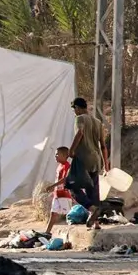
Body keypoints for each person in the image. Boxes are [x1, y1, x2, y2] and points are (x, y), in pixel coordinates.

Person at [69, 97, 107, 229]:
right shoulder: (98, 122)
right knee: (93, 189)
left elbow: (80, 133)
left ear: (78, 108)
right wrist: (106, 164)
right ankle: (96, 223)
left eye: (74, 109)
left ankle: (91, 208)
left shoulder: (80, 119)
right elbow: (103, 145)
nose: (75, 112)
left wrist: (71, 150)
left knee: (72, 186)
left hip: (83, 159)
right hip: (96, 160)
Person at [46, 146, 74, 237]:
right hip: (57, 194)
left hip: (65, 194)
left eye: (57, 154)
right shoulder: (59, 166)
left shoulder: (67, 166)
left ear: (64, 155)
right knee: (53, 213)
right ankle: (47, 232)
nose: (55, 156)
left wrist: (52, 186)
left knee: (68, 214)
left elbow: (65, 179)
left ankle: (71, 234)